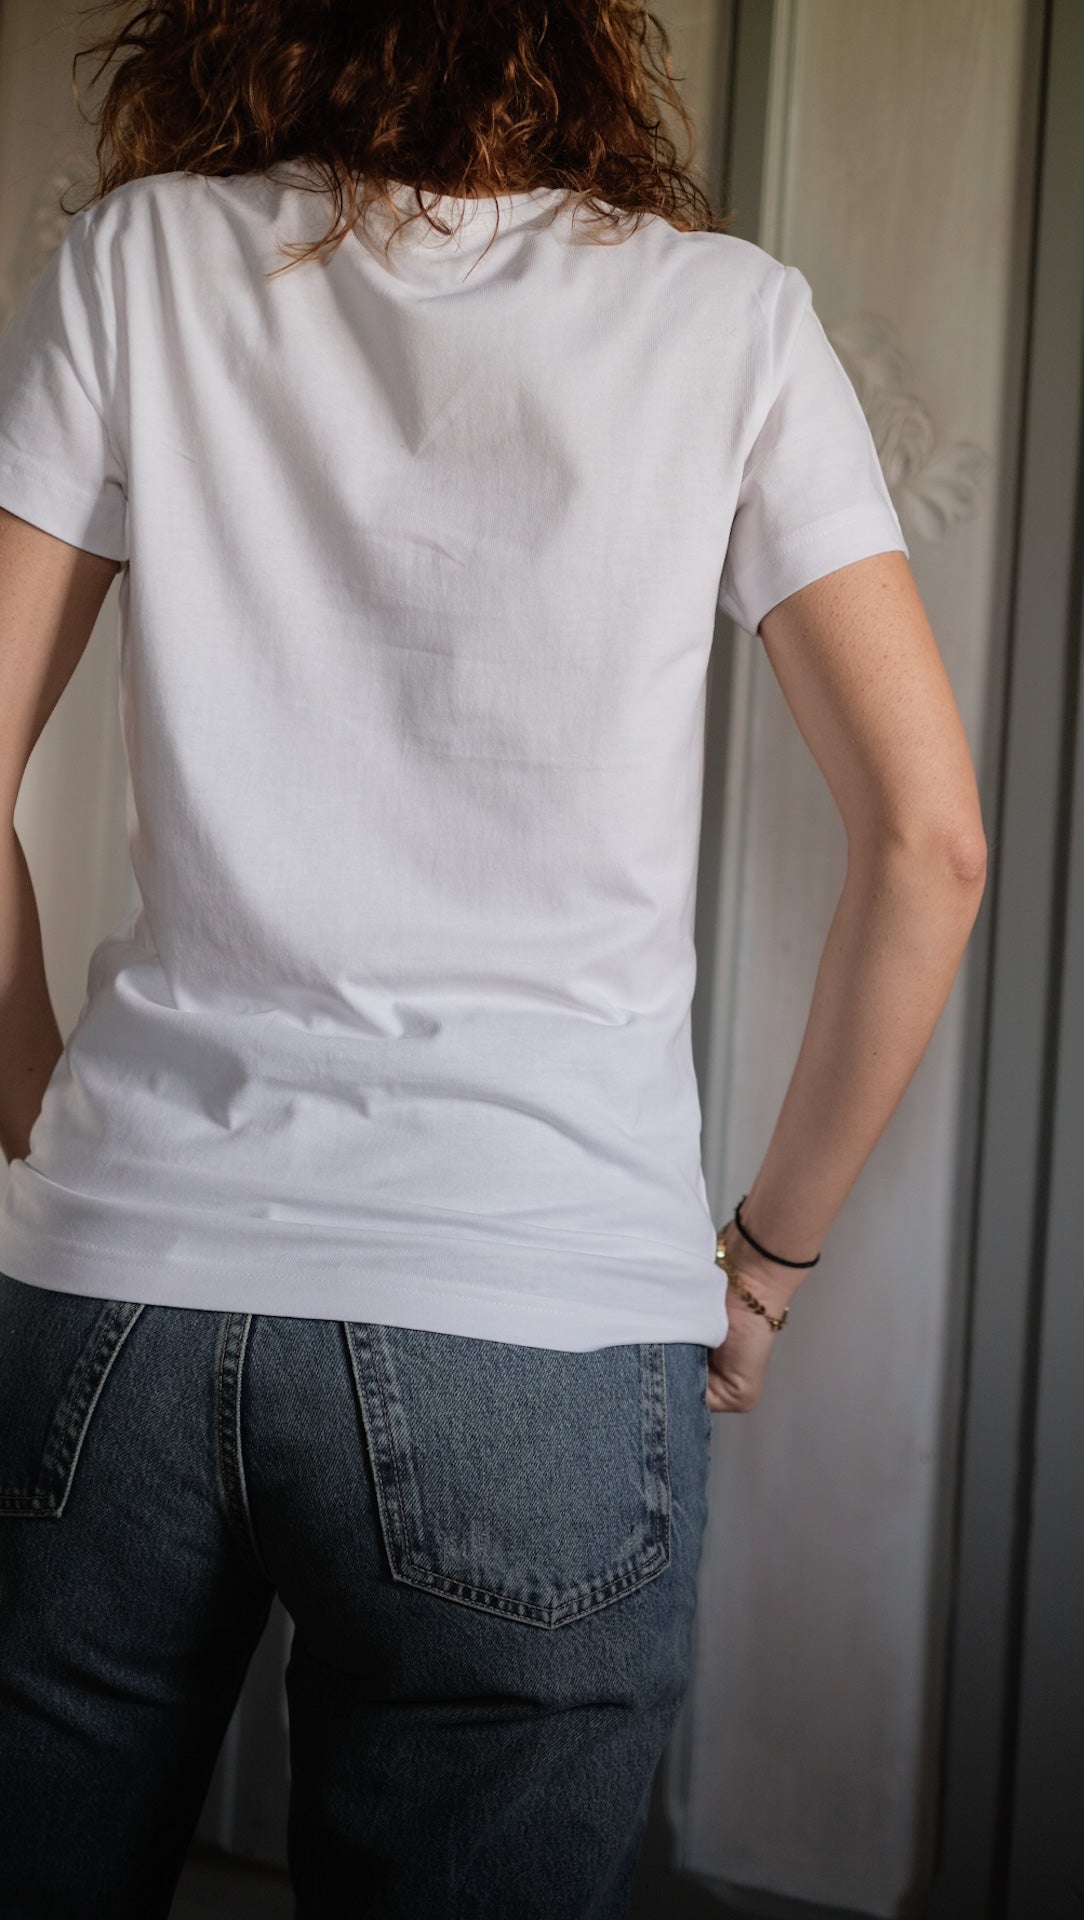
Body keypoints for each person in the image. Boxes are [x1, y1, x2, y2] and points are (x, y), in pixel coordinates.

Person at [0, 2, 987, 1915]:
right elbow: (932, 847)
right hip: (535, 1320)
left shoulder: (141, 261)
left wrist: (36, 1092)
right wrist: (765, 1265)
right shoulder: (730, 319)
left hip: (123, 1281)